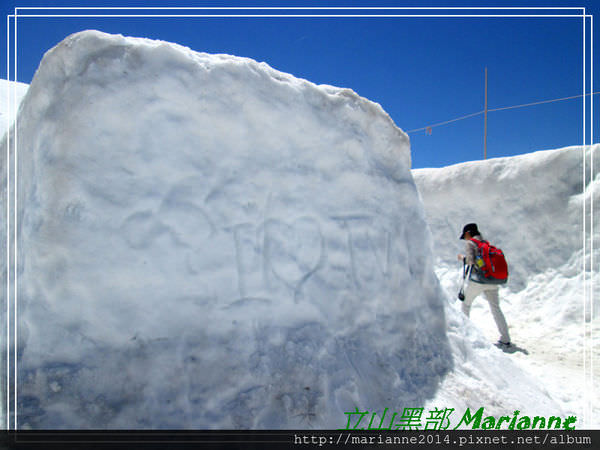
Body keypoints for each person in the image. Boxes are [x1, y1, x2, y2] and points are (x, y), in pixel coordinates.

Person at [457, 223, 511, 347]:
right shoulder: (485, 243)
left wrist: (462, 258)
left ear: (467, 233)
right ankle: (506, 337)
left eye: (464, 236)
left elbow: (471, 261)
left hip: (478, 281)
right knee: (496, 308)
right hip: (492, 281)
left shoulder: (470, 243)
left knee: (465, 305)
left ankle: (463, 335)